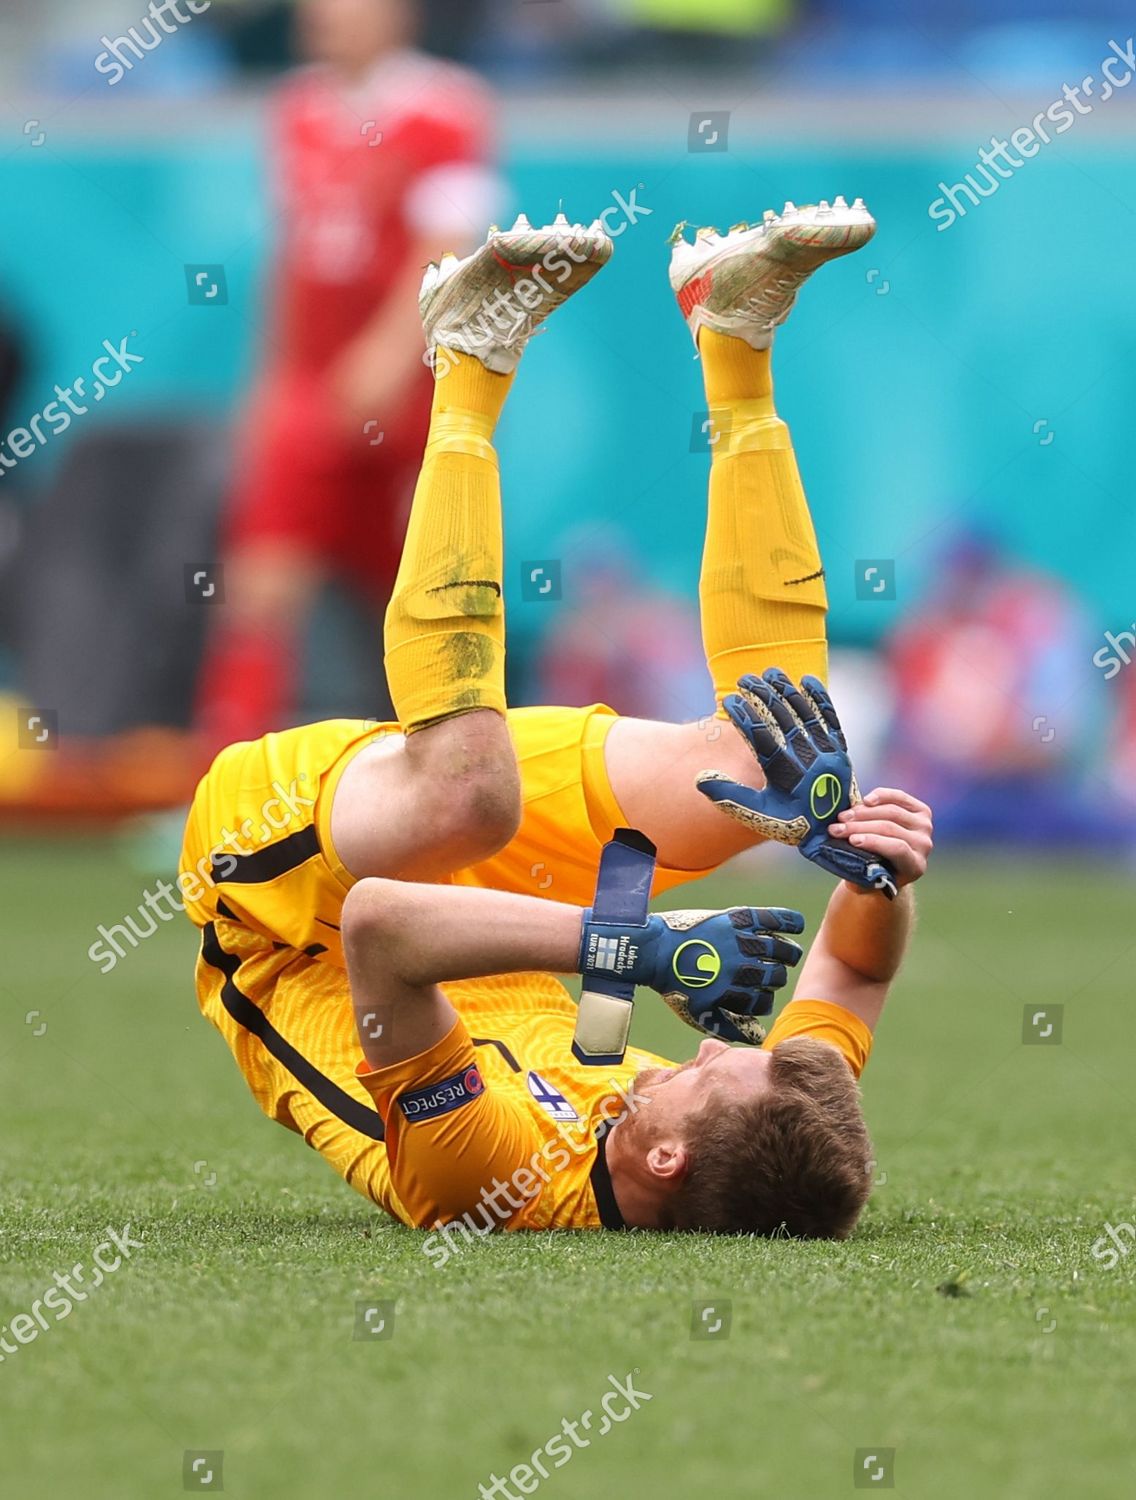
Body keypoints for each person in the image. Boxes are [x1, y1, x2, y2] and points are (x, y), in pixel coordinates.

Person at [180, 201, 933, 1240]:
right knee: (770, 770)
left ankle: (466, 366)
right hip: (498, 887)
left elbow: (382, 928)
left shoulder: (491, 1180)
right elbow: (854, 972)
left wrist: (636, 947)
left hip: (284, 907)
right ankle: (733, 334)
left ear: (662, 1157)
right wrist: (875, 870)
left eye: (714, 1072)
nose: (709, 1047)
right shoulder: (727, 1133)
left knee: (466, 797)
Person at [195, 0, 502, 749]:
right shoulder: (296, 110)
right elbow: (290, 262)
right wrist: (268, 381)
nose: (323, 11)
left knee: (416, 586)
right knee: (261, 581)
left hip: (412, 387)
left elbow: (450, 243)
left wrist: (389, 353)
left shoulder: (447, 108)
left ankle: (454, 768)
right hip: (314, 389)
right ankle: (219, 776)